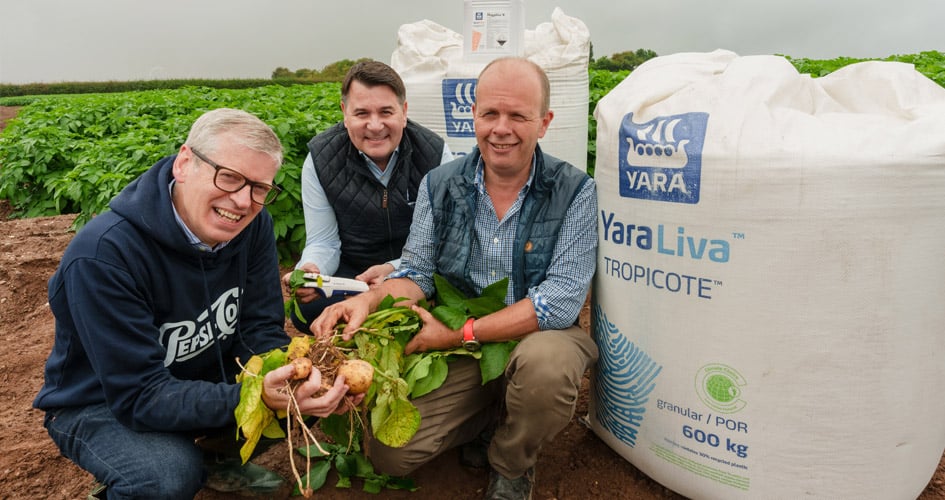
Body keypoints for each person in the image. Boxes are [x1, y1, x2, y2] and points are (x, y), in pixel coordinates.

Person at [33, 108, 359, 499]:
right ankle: (137, 472)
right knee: (165, 477)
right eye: (230, 177)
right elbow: (139, 395)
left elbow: (259, 329)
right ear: (185, 163)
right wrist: (249, 396)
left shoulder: (253, 227)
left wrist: (295, 379)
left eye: (259, 187)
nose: (242, 201)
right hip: (102, 403)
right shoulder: (105, 255)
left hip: (195, 379)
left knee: (296, 396)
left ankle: (214, 461)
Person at [311, 57, 599, 500]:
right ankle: (492, 411)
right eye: (490, 114)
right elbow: (418, 272)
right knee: (392, 454)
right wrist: (368, 300)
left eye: (518, 116)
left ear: (544, 123)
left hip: (538, 334)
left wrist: (457, 334)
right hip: (462, 338)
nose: (500, 128)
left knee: (546, 369)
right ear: (474, 116)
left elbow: (558, 302)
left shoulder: (575, 190)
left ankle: (511, 463)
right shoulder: (439, 184)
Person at [283, 60, 452, 333]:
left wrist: (393, 270)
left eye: (386, 112)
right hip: (354, 274)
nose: (375, 126)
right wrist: (312, 270)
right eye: (361, 113)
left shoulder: (435, 154)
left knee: (447, 297)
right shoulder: (320, 159)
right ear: (345, 113)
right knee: (308, 310)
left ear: (404, 111)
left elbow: (443, 240)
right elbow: (323, 240)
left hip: (415, 271)